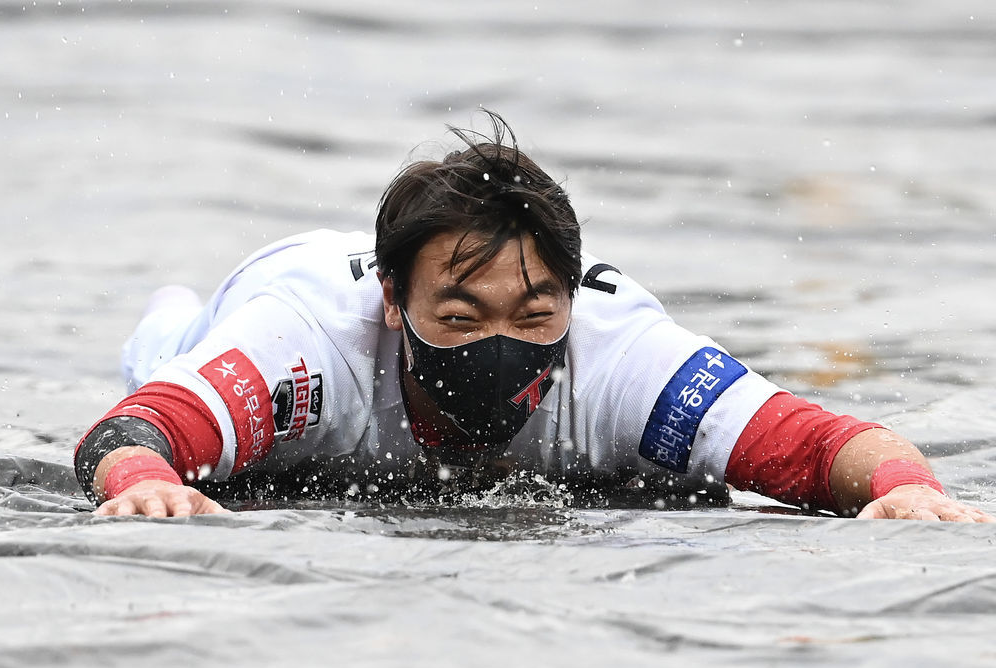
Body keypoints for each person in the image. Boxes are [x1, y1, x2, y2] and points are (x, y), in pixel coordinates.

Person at [74, 113, 994, 523]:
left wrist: (908, 487)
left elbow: (821, 445)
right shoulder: (306, 347)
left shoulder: (622, 353)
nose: (502, 341)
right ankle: (172, 323)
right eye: (463, 314)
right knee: (171, 383)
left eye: (533, 310)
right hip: (255, 301)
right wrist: (141, 485)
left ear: (572, 293)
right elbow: (131, 433)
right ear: (395, 302)